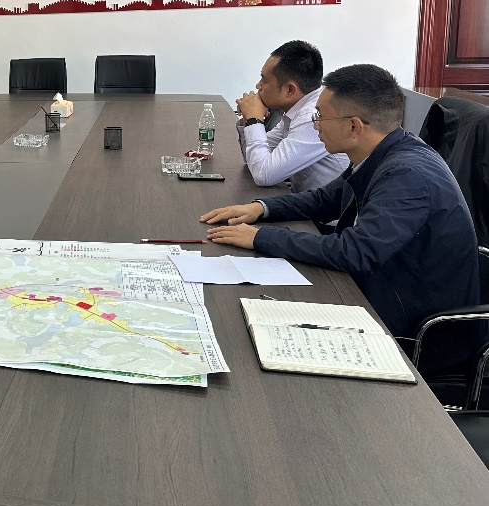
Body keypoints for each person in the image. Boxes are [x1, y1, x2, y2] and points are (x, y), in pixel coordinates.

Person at [202, 64, 479, 366]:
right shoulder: (385, 151)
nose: (315, 126)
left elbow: (355, 252)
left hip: (414, 331)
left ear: (354, 127)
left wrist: (260, 238)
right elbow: (327, 199)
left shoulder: (407, 175)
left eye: (319, 116)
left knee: (247, 334)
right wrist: (261, 208)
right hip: (381, 289)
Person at [235, 40, 348, 191]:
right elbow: (253, 161)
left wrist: (254, 120)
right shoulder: (296, 109)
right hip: (302, 200)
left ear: (290, 90)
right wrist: (247, 120)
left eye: (264, 80)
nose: (258, 85)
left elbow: (263, 175)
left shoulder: (312, 117)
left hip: (325, 206)